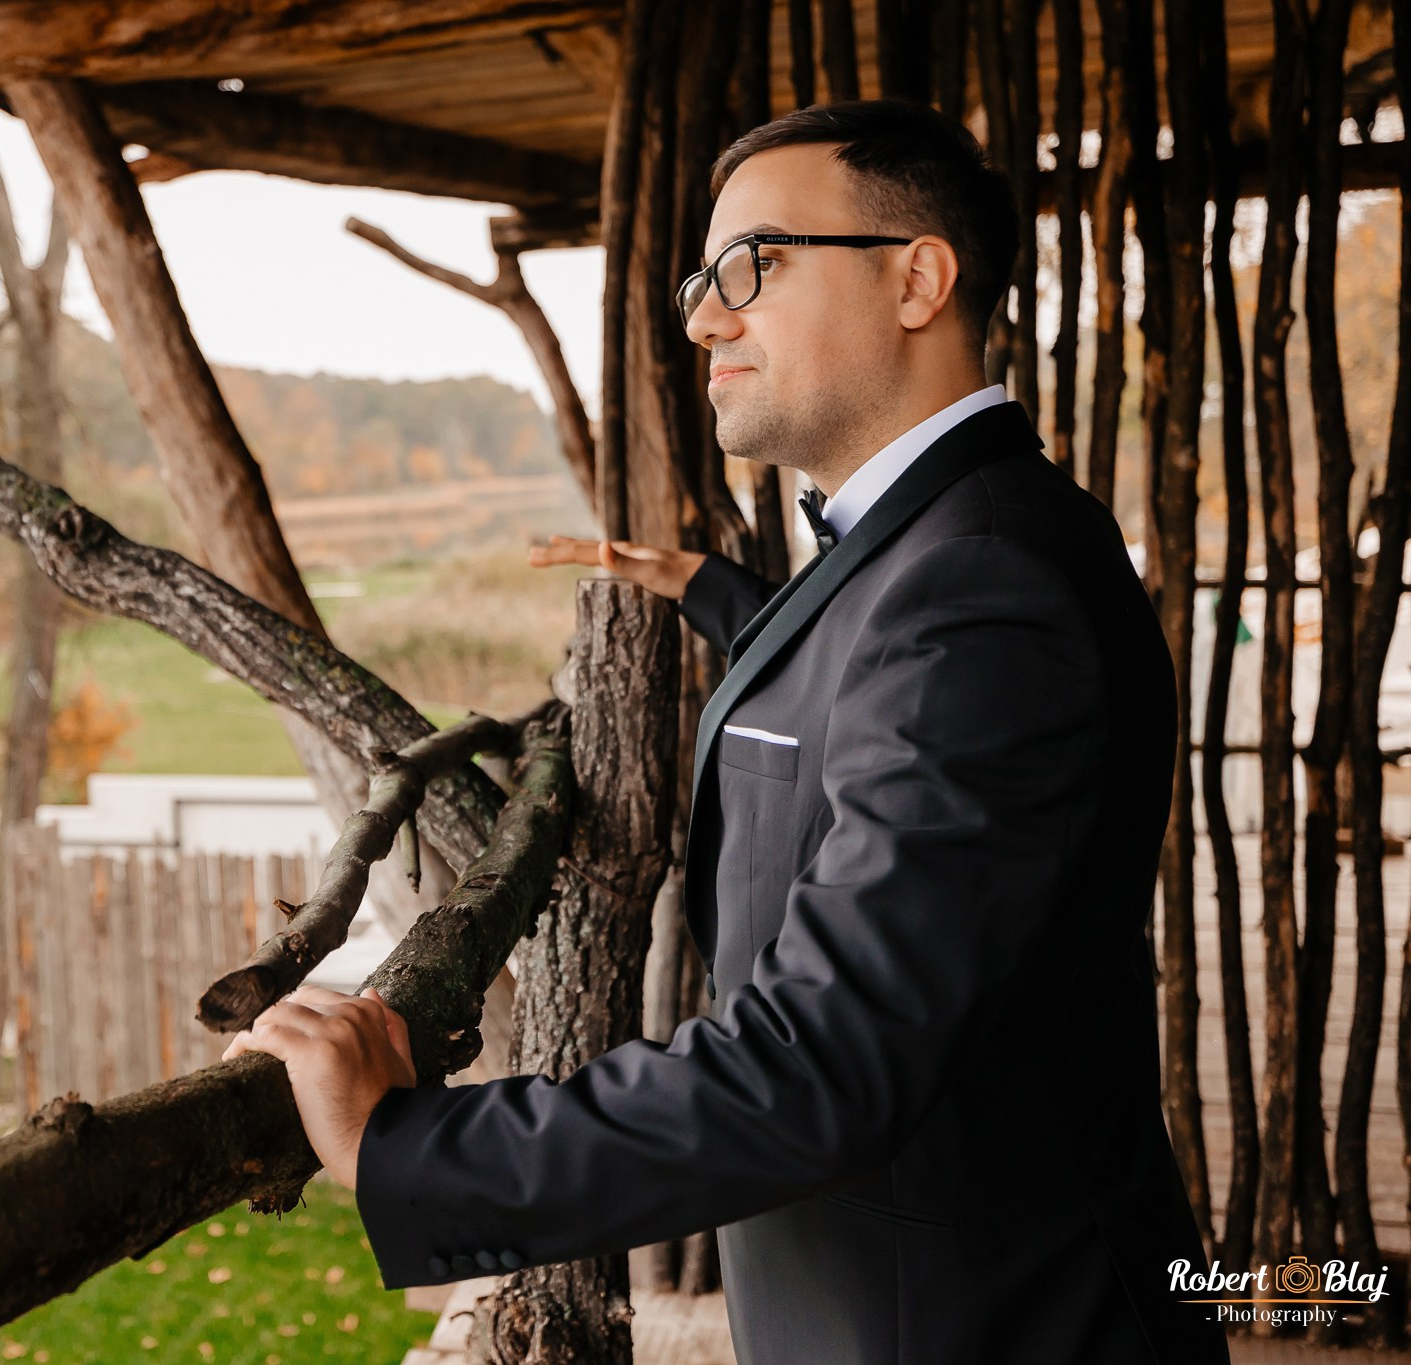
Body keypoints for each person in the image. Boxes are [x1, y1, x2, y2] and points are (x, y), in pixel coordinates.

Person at [223, 99, 1229, 1362]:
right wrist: (700, 584)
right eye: (703, 278)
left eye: (750, 264)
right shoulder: (930, 548)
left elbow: (828, 1056)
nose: (703, 315)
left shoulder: (980, 586)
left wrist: (412, 1148)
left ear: (917, 277)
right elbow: (843, 678)